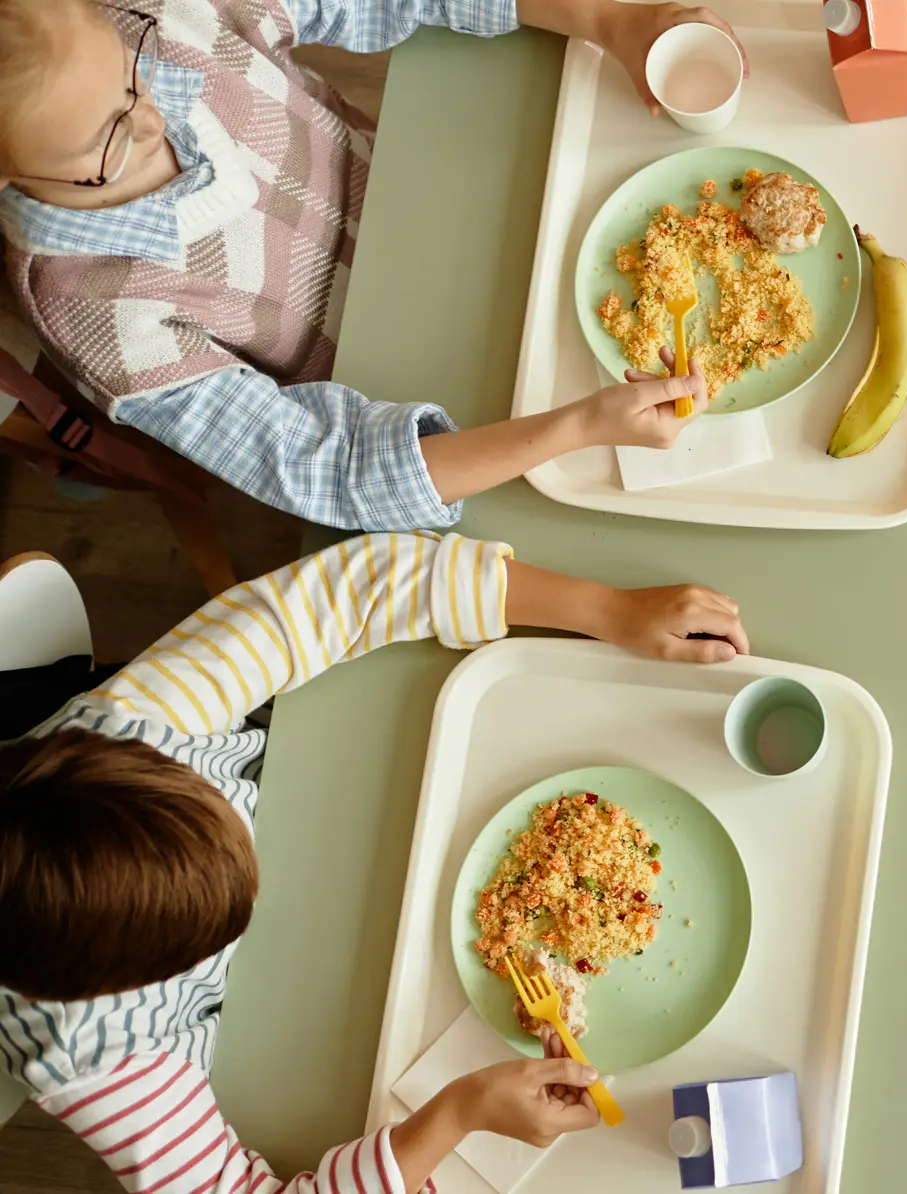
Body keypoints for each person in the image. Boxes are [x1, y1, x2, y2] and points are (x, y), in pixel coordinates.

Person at [0, 530, 751, 1190]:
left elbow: (347, 591)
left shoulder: (138, 726)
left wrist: (605, 611)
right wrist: (457, 1113)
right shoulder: (88, 1053)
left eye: (212, 806)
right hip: (291, 1025)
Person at [0, 0, 742, 530]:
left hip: (463, 202)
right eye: (108, 139)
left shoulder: (160, 17)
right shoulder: (97, 314)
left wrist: (608, 19)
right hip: (434, 393)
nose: (156, 117)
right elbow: (331, 470)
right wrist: (575, 428)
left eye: (132, 79)